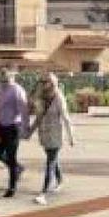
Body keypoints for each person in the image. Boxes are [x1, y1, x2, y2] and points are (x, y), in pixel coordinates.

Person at [27, 73, 76, 205]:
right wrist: (29, 132)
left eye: (47, 82)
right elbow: (38, 118)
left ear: (53, 83)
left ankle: (43, 194)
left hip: (55, 135)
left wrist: (71, 137)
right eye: (43, 82)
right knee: (52, 159)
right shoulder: (41, 98)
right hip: (44, 134)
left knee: (50, 162)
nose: (44, 85)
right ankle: (60, 181)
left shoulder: (59, 97)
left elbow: (66, 117)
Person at [0, 69, 30, 197]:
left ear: (11, 76)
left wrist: (26, 128)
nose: (3, 80)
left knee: (11, 156)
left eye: (5, 77)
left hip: (13, 127)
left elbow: (24, 110)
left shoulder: (17, 90)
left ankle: (12, 188)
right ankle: (18, 168)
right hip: (1, 126)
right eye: (1, 77)